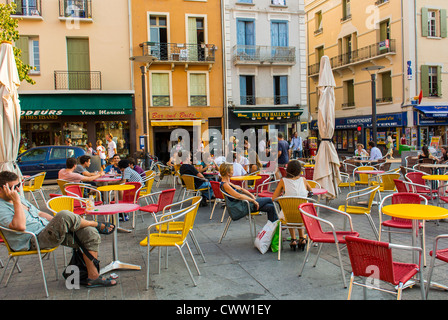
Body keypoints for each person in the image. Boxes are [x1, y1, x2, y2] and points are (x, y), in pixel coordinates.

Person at [0, 171, 116, 287]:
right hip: (33, 240)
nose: (16, 190)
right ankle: (95, 223)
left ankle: (93, 276)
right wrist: (16, 201)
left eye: (18, 186)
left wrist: (58, 222)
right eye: (12, 187)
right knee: (64, 214)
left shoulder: (19, 198)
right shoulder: (2, 207)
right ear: (1, 189)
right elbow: (20, 226)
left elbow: (39, 213)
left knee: (89, 232)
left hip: (47, 231)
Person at [272, 160, 313, 250]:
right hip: (304, 215)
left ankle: (293, 239)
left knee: (289, 210)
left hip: (288, 216)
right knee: (299, 210)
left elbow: (274, 198)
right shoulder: (303, 180)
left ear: (288, 170)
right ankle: (302, 238)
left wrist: (284, 197)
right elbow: (311, 191)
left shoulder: (283, 181)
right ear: (299, 171)